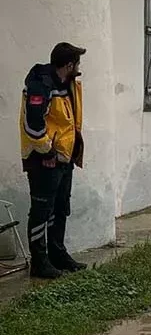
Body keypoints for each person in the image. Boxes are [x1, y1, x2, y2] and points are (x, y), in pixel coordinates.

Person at [20, 42, 88, 279]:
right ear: (69, 65)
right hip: (44, 161)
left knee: (60, 208)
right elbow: (33, 125)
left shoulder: (66, 84)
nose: (79, 67)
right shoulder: (41, 85)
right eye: (77, 63)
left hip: (63, 158)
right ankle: (39, 262)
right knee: (41, 211)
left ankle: (57, 254)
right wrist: (47, 152)